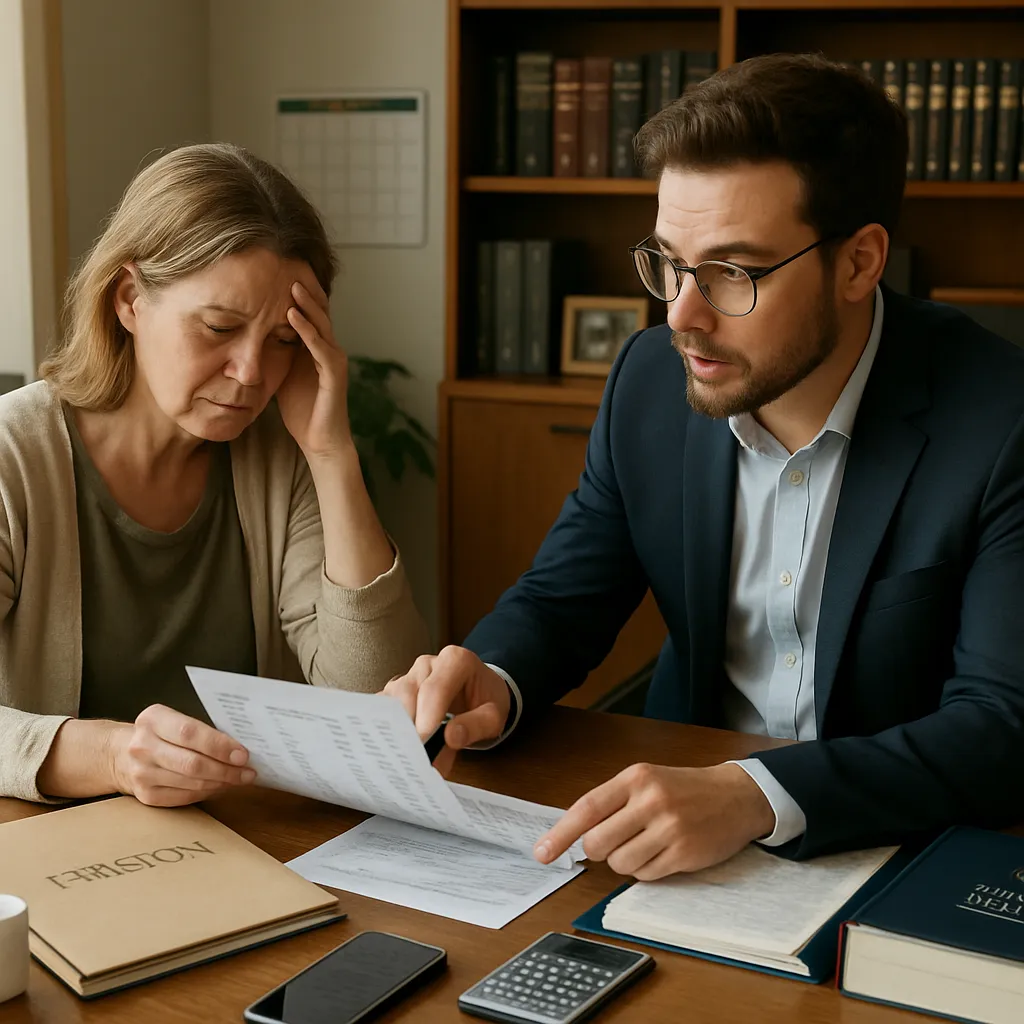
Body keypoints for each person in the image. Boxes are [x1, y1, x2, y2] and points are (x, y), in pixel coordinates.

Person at [386, 53, 1024, 878]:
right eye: (668, 261)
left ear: (861, 262)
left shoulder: (1002, 421)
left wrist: (756, 794)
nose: (681, 315)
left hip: (899, 843)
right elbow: (562, 602)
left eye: (732, 271)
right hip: (677, 843)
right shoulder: (649, 382)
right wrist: (494, 682)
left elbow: (1002, 725)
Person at [0, 143, 429, 807]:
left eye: (284, 341)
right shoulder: (13, 457)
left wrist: (331, 453)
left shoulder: (281, 458)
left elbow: (374, 705)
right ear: (129, 300)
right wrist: (113, 757)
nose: (252, 373)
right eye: (219, 327)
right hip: (53, 854)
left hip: (251, 844)